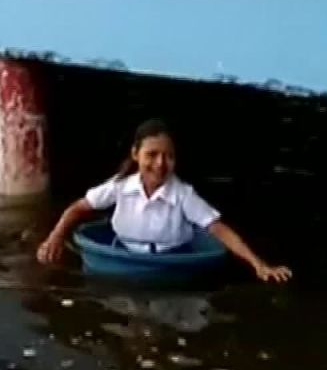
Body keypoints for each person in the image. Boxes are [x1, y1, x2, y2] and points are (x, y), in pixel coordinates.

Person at [36, 119, 293, 283]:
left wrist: (259, 265)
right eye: (152, 154)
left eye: (168, 156)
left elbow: (218, 229)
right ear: (135, 154)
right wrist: (54, 239)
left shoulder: (183, 194)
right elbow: (79, 208)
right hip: (120, 257)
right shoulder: (120, 186)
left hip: (171, 265)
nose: (160, 164)